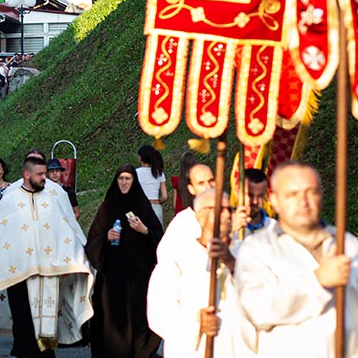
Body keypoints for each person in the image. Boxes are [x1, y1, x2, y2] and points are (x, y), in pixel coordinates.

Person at [235, 161, 358, 356]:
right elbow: (258, 309)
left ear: (321, 195)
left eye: (311, 192)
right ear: (274, 200)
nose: (303, 202)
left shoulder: (347, 245)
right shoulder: (257, 250)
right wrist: (316, 282)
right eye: (292, 194)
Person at [0, 156, 92, 357]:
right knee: (23, 322)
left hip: (47, 271)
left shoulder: (51, 199)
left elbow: (63, 231)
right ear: (27, 175)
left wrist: (74, 259)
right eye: (40, 174)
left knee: (47, 323)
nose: (44, 178)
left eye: (45, 174)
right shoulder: (10, 199)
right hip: (18, 274)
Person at [148, 189, 243, 358]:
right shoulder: (178, 256)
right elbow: (158, 312)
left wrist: (231, 263)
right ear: (199, 217)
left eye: (229, 209)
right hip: (192, 351)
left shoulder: (244, 252)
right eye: (217, 209)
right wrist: (196, 322)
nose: (226, 215)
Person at [85, 163, 163, 358]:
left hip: (138, 272)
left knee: (138, 313)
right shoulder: (107, 206)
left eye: (128, 178)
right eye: (121, 178)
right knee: (113, 315)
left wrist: (143, 230)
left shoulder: (142, 206)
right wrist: (106, 237)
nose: (124, 182)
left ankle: (141, 351)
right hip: (113, 273)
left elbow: (158, 237)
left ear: (134, 181)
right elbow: (93, 238)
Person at [136, 145, 170, 225]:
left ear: (140, 158)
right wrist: (157, 202)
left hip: (141, 208)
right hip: (156, 208)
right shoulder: (159, 174)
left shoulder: (135, 173)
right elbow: (165, 197)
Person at [241, 167, 276, 235]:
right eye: (250, 195)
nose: (255, 201)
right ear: (237, 192)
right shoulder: (226, 226)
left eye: (260, 196)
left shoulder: (274, 228)